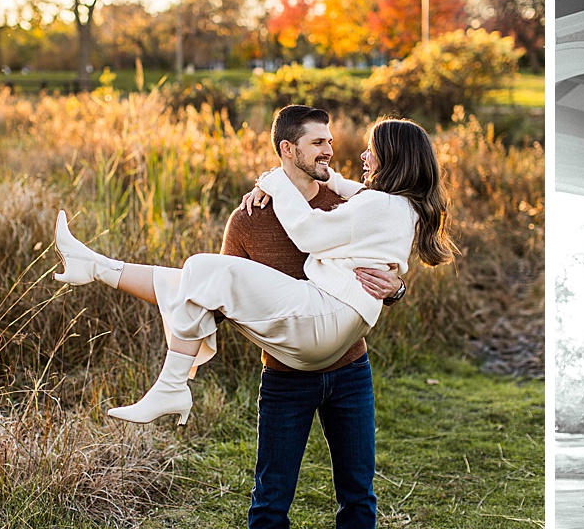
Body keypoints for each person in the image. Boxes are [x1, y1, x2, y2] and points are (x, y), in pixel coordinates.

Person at [53, 111, 456, 429]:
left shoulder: (376, 206)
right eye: (319, 142)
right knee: (197, 280)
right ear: (288, 148)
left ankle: (173, 384)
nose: (357, 155)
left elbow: (311, 233)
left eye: (370, 149)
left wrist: (274, 181)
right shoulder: (397, 206)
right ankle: (96, 266)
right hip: (325, 330)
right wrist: (300, 182)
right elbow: (353, 190)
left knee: (202, 268)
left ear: (393, 157)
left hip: (325, 324)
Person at [220, 106, 405, 529]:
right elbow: (228, 299)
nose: (330, 151)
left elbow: (389, 271)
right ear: (286, 150)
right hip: (285, 380)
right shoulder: (249, 219)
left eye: (331, 142)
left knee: (358, 493)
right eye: (318, 143)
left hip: (350, 372)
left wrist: (395, 289)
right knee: (271, 500)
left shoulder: (350, 203)